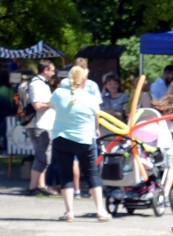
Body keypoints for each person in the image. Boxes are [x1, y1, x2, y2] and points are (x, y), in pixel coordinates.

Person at [49, 65, 111, 222]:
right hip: (84, 139)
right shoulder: (91, 98)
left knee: (66, 174)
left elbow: (53, 107)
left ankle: (69, 212)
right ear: (85, 80)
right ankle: (100, 211)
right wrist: (96, 130)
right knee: (92, 174)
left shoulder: (58, 94)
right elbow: (96, 117)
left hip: (61, 138)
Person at [26, 60, 58, 196]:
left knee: (44, 157)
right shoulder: (36, 84)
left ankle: (41, 186)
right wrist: (51, 104)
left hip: (44, 124)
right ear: (45, 70)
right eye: (52, 70)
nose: (54, 73)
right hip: (39, 125)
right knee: (42, 157)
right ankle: (33, 187)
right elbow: (37, 106)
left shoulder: (42, 84)